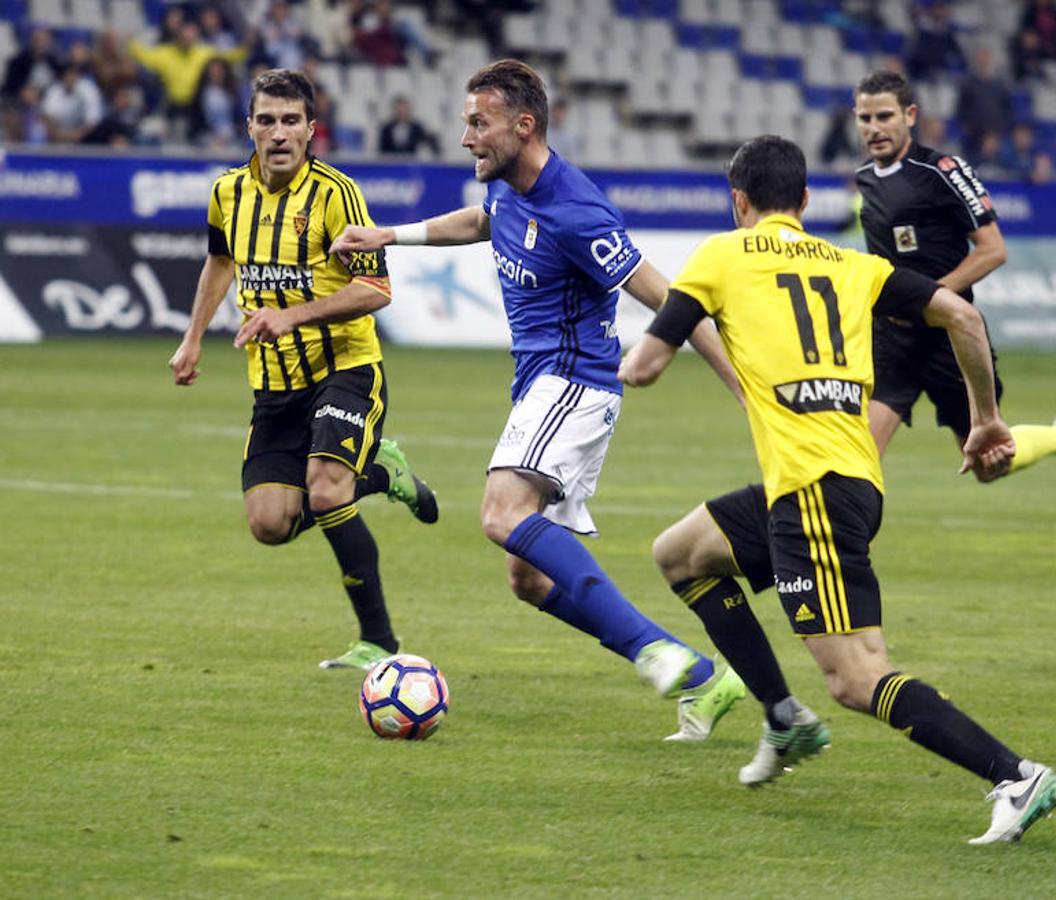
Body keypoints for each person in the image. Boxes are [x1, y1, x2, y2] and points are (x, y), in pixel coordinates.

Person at [620, 134, 1056, 845]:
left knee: (857, 679)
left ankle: (1014, 775)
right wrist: (984, 419)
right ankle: (780, 717)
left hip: (814, 497)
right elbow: (964, 315)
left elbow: (642, 368)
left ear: (738, 202)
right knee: (681, 554)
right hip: (836, 476)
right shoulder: (854, 264)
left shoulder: (719, 256)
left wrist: (620, 352)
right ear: (802, 202)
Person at [329, 59, 746, 735]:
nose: (466, 138)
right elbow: (480, 220)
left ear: (523, 126)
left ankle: (654, 650)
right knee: (525, 579)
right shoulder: (505, 185)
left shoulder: (577, 210)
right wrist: (387, 236)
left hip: (574, 381)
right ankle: (704, 678)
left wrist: (743, 391)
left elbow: (674, 302)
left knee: (499, 512)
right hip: (537, 386)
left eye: (478, 123)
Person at [168, 68, 439, 671]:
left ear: (312, 130)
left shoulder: (337, 194)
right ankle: (381, 472)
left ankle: (379, 644)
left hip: (345, 366)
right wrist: (191, 340)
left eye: (292, 121)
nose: (279, 132)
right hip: (273, 385)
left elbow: (375, 288)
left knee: (323, 488)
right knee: (269, 524)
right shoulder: (227, 193)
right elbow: (219, 261)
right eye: (267, 120)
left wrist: (295, 316)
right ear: (250, 127)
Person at [852, 70, 1056, 490]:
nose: (874, 128)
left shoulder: (943, 171)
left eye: (884, 116)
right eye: (865, 119)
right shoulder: (864, 177)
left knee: (991, 466)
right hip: (892, 342)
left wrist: (931, 298)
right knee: (858, 461)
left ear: (909, 115)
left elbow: (992, 249)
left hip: (949, 338)